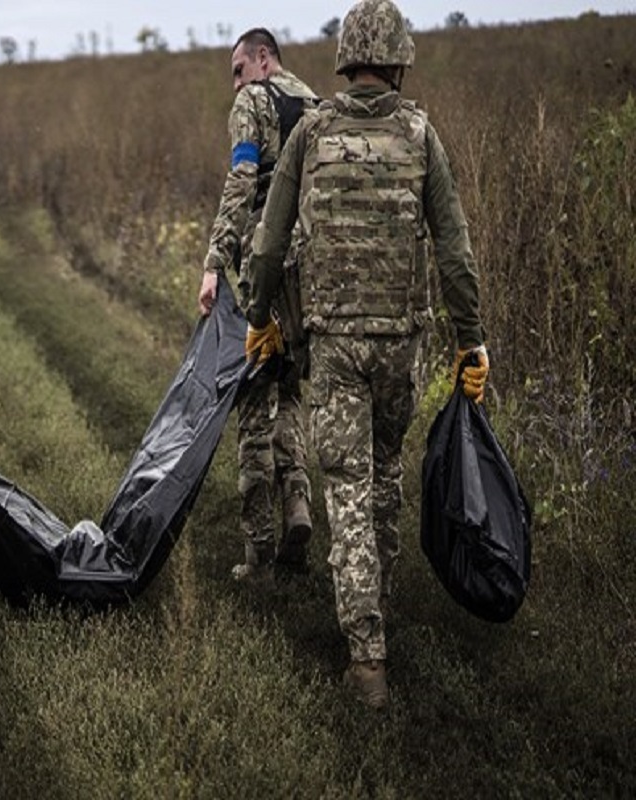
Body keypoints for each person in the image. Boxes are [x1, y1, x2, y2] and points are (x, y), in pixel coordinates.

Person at [243, 0, 488, 708]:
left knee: (346, 484)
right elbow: (456, 251)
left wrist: (258, 318)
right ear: (400, 60)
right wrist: (470, 340)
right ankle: (380, 612)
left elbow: (268, 239)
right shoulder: (419, 133)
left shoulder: (313, 130)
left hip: (336, 343)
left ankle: (366, 654)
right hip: (402, 344)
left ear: (348, 58)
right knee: (383, 479)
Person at [197, 28, 318, 583]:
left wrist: (215, 259)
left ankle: (259, 555)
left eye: (239, 68)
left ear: (263, 59)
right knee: (290, 391)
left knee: (252, 401)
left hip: (268, 276)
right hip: (314, 279)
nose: (236, 82)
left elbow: (241, 180)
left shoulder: (252, 103)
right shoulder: (315, 104)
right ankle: (298, 504)